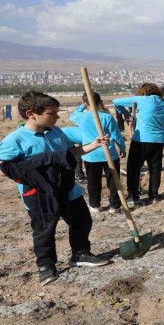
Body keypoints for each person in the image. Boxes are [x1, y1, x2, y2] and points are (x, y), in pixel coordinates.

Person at [0, 91, 110, 286]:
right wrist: (37, 164)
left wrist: (94, 145)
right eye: (52, 113)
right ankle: (46, 266)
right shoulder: (14, 140)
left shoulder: (56, 132)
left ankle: (80, 254)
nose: (57, 117)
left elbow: (70, 153)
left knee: (82, 221)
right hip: (40, 195)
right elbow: (6, 166)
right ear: (31, 113)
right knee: (44, 230)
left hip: (69, 189)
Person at [70, 92, 127, 214]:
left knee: (93, 182)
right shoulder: (107, 117)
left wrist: (82, 106)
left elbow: (73, 114)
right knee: (113, 181)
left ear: (85, 103)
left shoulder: (80, 117)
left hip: (90, 155)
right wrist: (122, 148)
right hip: (109, 154)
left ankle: (94, 205)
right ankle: (115, 206)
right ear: (100, 102)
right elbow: (116, 136)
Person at [113, 83, 164, 206]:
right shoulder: (163, 104)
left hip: (142, 139)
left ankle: (134, 196)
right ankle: (154, 195)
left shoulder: (144, 100)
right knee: (155, 168)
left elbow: (116, 101)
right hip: (158, 140)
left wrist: (125, 113)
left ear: (143, 92)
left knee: (133, 168)